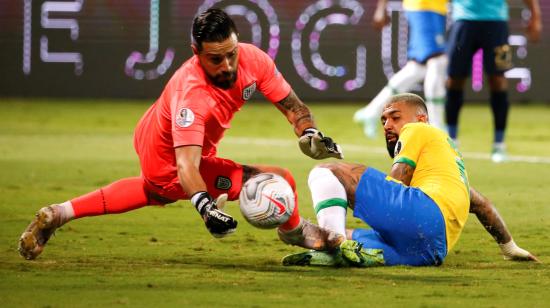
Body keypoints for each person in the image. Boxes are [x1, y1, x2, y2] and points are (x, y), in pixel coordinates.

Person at [18, 8, 344, 260]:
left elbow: (294, 107)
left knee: (150, 190)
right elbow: (186, 166)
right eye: (216, 59)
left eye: (231, 54)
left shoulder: (253, 59)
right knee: (280, 178)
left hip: (155, 129)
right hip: (169, 155)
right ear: (195, 52)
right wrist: (206, 208)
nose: (228, 65)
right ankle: (295, 232)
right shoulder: (192, 94)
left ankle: (59, 212)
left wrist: (310, 132)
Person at [283, 93, 538, 267]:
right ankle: (340, 249)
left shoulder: (417, 129)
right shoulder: (448, 166)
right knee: (350, 238)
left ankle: (329, 243)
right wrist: (510, 248)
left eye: (395, 117)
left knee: (327, 171)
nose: (387, 125)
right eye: (383, 120)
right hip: (431, 251)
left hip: (422, 216)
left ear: (421, 118)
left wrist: (356, 193)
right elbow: (483, 205)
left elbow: (398, 180)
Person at [445, 0, 542, 163]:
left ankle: (499, 144)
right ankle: (451, 142)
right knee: (454, 79)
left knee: (498, 80)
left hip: (496, 22)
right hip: (463, 19)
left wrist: (535, 16)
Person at [354, 0, 448, 138]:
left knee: (417, 68)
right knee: (437, 61)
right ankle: (436, 126)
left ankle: (371, 111)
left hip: (436, 8)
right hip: (423, 6)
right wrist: (381, 8)